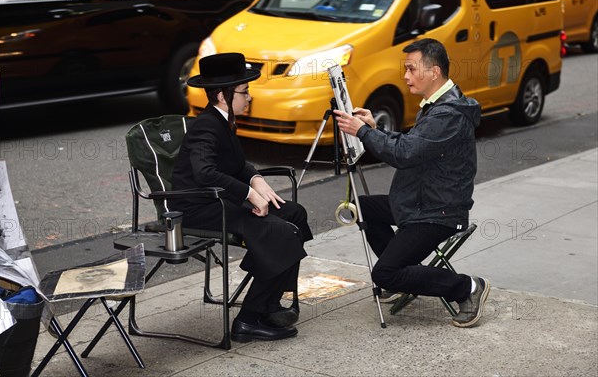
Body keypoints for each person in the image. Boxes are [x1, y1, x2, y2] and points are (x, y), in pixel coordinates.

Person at [334, 38, 489, 328]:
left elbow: (405, 153)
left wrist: (364, 133)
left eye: (411, 69)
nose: (405, 76)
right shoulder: (438, 105)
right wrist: (374, 129)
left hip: (438, 212)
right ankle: (403, 273)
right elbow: (415, 144)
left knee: (383, 274)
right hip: (419, 202)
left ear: (435, 72)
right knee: (361, 208)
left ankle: (467, 287)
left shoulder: (448, 114)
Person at [171, 53, 313, 342]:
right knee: (279, 232)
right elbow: (205, 172)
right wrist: (249, 195)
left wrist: (255, 179)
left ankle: (269, 303)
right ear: (223, 96)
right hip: (198, 208)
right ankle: (248, 320)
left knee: (294, 213)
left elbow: (235, 164)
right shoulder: (207, 125)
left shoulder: (223, 119)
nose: (249, 97)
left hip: (219, 202)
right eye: (244, 92)